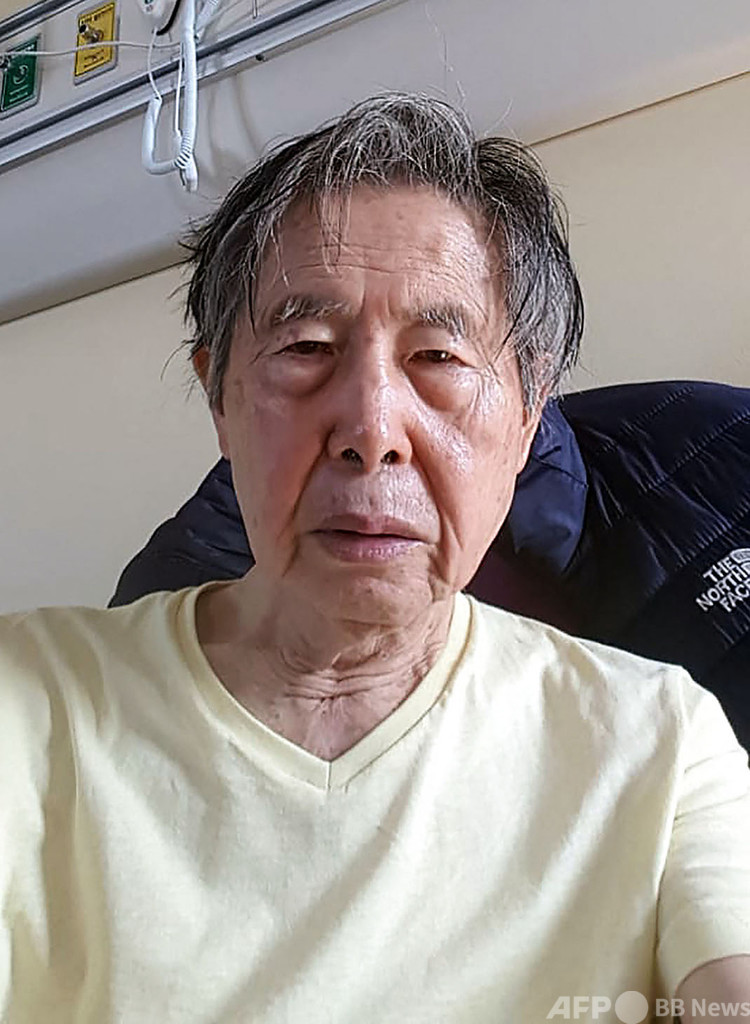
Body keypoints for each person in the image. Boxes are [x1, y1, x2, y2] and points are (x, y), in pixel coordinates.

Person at [1, 93, 749, 1023]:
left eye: (438, 358)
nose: (371, 428)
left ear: (527, 417)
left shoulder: (660, 743)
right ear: (219, 399)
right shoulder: (26, 700)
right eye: (306, 347)